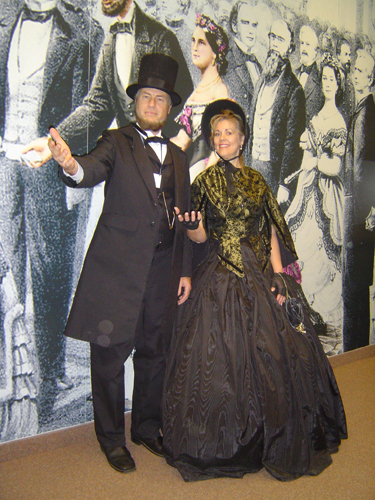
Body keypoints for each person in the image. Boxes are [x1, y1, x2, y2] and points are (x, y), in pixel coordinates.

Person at [162, 99, 347, 481]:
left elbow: (272, 231)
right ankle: (224, 441)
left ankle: (272, 433)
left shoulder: (258, 181)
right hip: (218, 272)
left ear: (242, 139)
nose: (222, 138)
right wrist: (192, 225)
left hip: (259, 268)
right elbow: (199, 236)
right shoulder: (203, 181)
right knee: (219, 358)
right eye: (216, 134)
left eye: (229, 132)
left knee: (274, 353)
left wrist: (279, 274)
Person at [46, 54, 192, 473]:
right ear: (135, 103)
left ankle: (146, 428)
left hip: (162, 273)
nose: (152, 104)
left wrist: (183, 270)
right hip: (118, 271)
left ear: (169, 108)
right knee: (108, 357)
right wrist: (70, 164)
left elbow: (183, 221)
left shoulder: (180, 158)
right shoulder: (116, 142)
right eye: (145, 96)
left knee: (154, 353)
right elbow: (89, 169)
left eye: (160, 99)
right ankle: (111, 440)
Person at [0, 0, 104, 424]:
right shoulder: (6, 19)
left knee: (49, 268)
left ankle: (49, 371)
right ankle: (12, 372)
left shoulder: (82, 32)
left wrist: (74, 169)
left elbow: (93, 108)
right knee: (7, 264)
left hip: (46, 163)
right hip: (5, 158)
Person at [285, 55, 347, 338]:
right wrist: (306, 166)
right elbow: (306, 158)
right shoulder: (316, 118)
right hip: (308, 190)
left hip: (328, 196)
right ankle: (303, 313)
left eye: (332, 80)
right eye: (324, 79)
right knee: (299, 243)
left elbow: (335, 166)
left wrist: (315, 163)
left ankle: (322, 313)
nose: (327, 84)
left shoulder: (339, 122)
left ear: (339, 84)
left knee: (322, 251)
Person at [248, 19, 305, 208]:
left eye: (280, 39)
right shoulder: (261, 81)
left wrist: (285, 185)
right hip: (253, 166)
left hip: (275, 172)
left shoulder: (294, 90)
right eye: (272, 37)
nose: (274, 44)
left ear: (290, 48)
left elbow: (293, 141)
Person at [343, 49, 375, 351]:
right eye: (354, 70)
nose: (355, 76)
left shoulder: (366, 113)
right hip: (359, 212)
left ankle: (355, 350)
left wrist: (358, 214)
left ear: (370, 78)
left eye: (361, 72)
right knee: (355, 286)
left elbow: (364, 169)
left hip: (358, 214)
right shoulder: (362, 109)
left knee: (354, 287)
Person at [171, 13, 229, 182]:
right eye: (193, 40)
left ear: (215, 53)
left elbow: (221, 145)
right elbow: (183, 140)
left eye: (201, 42)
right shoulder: (196, 93)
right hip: (192, 171)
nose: (194, 47)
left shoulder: (220, 91)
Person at [224, 0, 263, 164]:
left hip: (254, 155)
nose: (250, 30)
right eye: (245, 23)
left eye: (254, 25)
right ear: (234, 26)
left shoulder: (258, 64)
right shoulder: (226, 61)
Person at [295, 24, 324, 124]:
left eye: (308, 44)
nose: (304, 48)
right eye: (302, 43)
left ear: (316, 51)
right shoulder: (294, 74)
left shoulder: (321, 80)